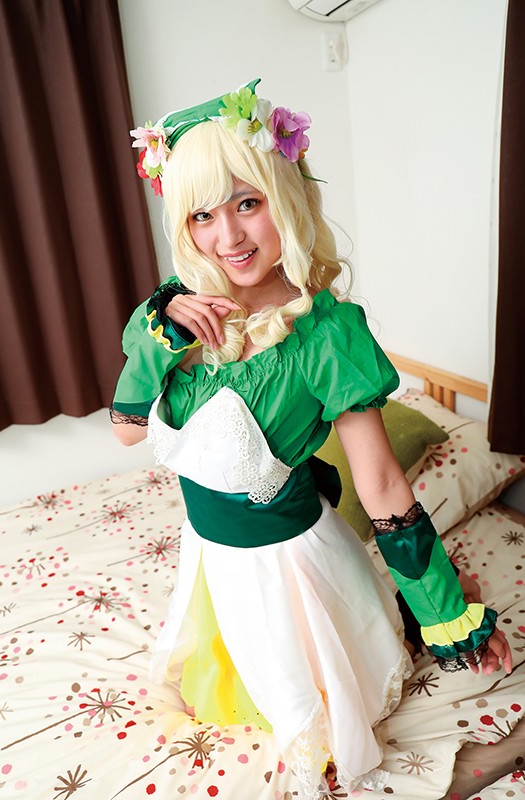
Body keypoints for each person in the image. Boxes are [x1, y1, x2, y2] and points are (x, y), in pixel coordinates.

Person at [111, 79, 512, 798]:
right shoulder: (173, 312)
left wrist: (448, 616)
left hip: (290, 570)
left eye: (247, 203)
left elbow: (382, 486)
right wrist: (160, 332)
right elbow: (125, 430)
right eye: (202, 214)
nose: (228, 238)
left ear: (285, 197)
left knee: (317, 717)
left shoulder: (327, 334)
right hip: (211, 561)